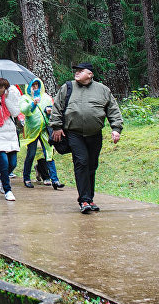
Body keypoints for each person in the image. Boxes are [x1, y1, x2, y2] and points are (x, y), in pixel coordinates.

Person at [49, 62, 124, 214]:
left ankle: (90, 199)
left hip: (94, 134)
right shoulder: (67, 87)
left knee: (91, 165)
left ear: (90, 74)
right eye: (75, 70)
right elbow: (57, 107)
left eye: (80, 71)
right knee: (81, 162)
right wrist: (56, 127)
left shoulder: (102, 90)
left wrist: (116, 128)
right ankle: (83, 200)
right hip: (74, 133)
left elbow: (113, 109)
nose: (76, 73)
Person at [19, 78, 63, 189]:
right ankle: (26, 178)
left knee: (49, 153)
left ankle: (55, 180)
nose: (35, 88)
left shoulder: (46, 98)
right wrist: (33, 104)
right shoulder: (25, 98)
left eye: (36, 85)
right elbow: (25, 111)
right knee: (31, 154)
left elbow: (52, 112)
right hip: (32, 131)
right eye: (32, 86)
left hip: (44, 130)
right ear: (28, 87)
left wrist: (49, 111)